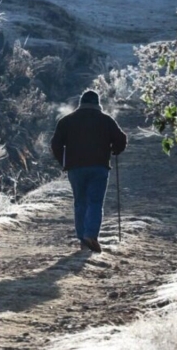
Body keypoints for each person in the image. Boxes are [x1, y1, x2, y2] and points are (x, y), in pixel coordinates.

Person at [50, 90, 127, 253]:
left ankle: (83, 239)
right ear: (97, 104)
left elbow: (56, 144)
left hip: (75, 168)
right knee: (95, 202)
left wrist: (63, 162)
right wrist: (115, 150)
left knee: (80, 202)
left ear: (81, 103)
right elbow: (121, 139)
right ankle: (90, 235)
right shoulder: (106, 120)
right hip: (99, 167)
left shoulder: (67, 121)